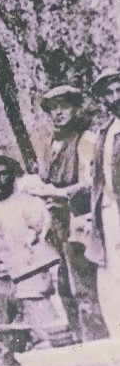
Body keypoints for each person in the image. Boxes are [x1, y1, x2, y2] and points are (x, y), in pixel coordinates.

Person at [0, 155, 69, 340]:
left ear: (12, 176)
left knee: (47, 335)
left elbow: (44, 238)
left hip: (28, 280)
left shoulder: (30, 203)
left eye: (3, 174)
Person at [37, 84, 103, 340]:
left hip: (81, 220)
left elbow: (91, 183)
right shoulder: (52, 143)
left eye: (63, 107)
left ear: (76, 108)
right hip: (58, 223)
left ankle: (97, 344)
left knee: (85, 286)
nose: (58, 113)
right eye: (52, 109)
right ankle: (79, 340)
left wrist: (61, 193)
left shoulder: (85, 139)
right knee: (65, 286)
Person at [84, 68, 120, 337]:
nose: (115, 96)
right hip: (108, 212)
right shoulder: (105, 132)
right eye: (109, 92)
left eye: (119, 89)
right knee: (110, 273)